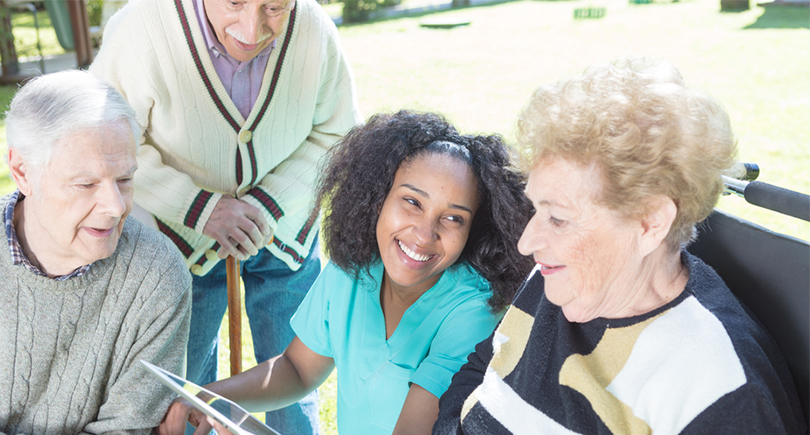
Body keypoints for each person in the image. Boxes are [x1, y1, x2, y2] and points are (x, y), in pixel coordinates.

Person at [433, 57, 807, 434]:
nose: (528, 242)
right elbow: (484, 368)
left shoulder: (719, 393)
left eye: (558, 218)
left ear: (650, 223)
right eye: (537, 209)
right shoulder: (561, 276)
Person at [158, 111, 536, 435]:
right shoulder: (353, 269)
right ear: (377, 198)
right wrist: (214, 395)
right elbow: (298, 368)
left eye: (453, 218)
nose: (424, 233)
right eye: (411, 202)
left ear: (474, 230)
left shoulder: (473, 311)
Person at [89, 0, 360, 431]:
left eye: (274, 7)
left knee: (295, 385)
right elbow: (105, 143)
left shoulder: (314, 28)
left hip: (286, 230)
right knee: (185, 393)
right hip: (180, 244)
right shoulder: (139, 27)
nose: (252, 31)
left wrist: (266, 206)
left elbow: (338, 133)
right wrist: (201, 208)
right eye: (234, 3)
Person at [0, 70, 192, 434]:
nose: (115, 207)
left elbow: (127, 430)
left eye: (124, 179)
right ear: (21, 171)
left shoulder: (158, 275)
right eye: (85, 183)